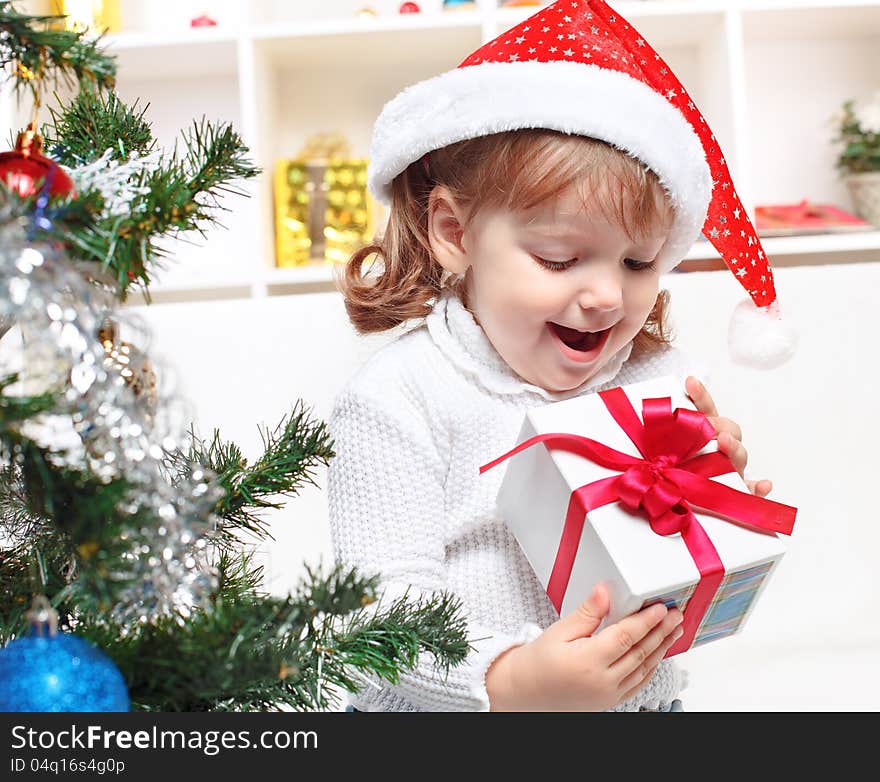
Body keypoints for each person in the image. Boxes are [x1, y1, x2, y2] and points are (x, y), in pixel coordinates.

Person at [327, 0, 785, 712]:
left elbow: (673, 585)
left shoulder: (656, 377)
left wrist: (708, 508)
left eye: (638, 262)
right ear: (454, 232)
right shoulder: (400, 397)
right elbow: (374, 622)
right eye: (559, 256)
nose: (606, 294)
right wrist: (510, 682)